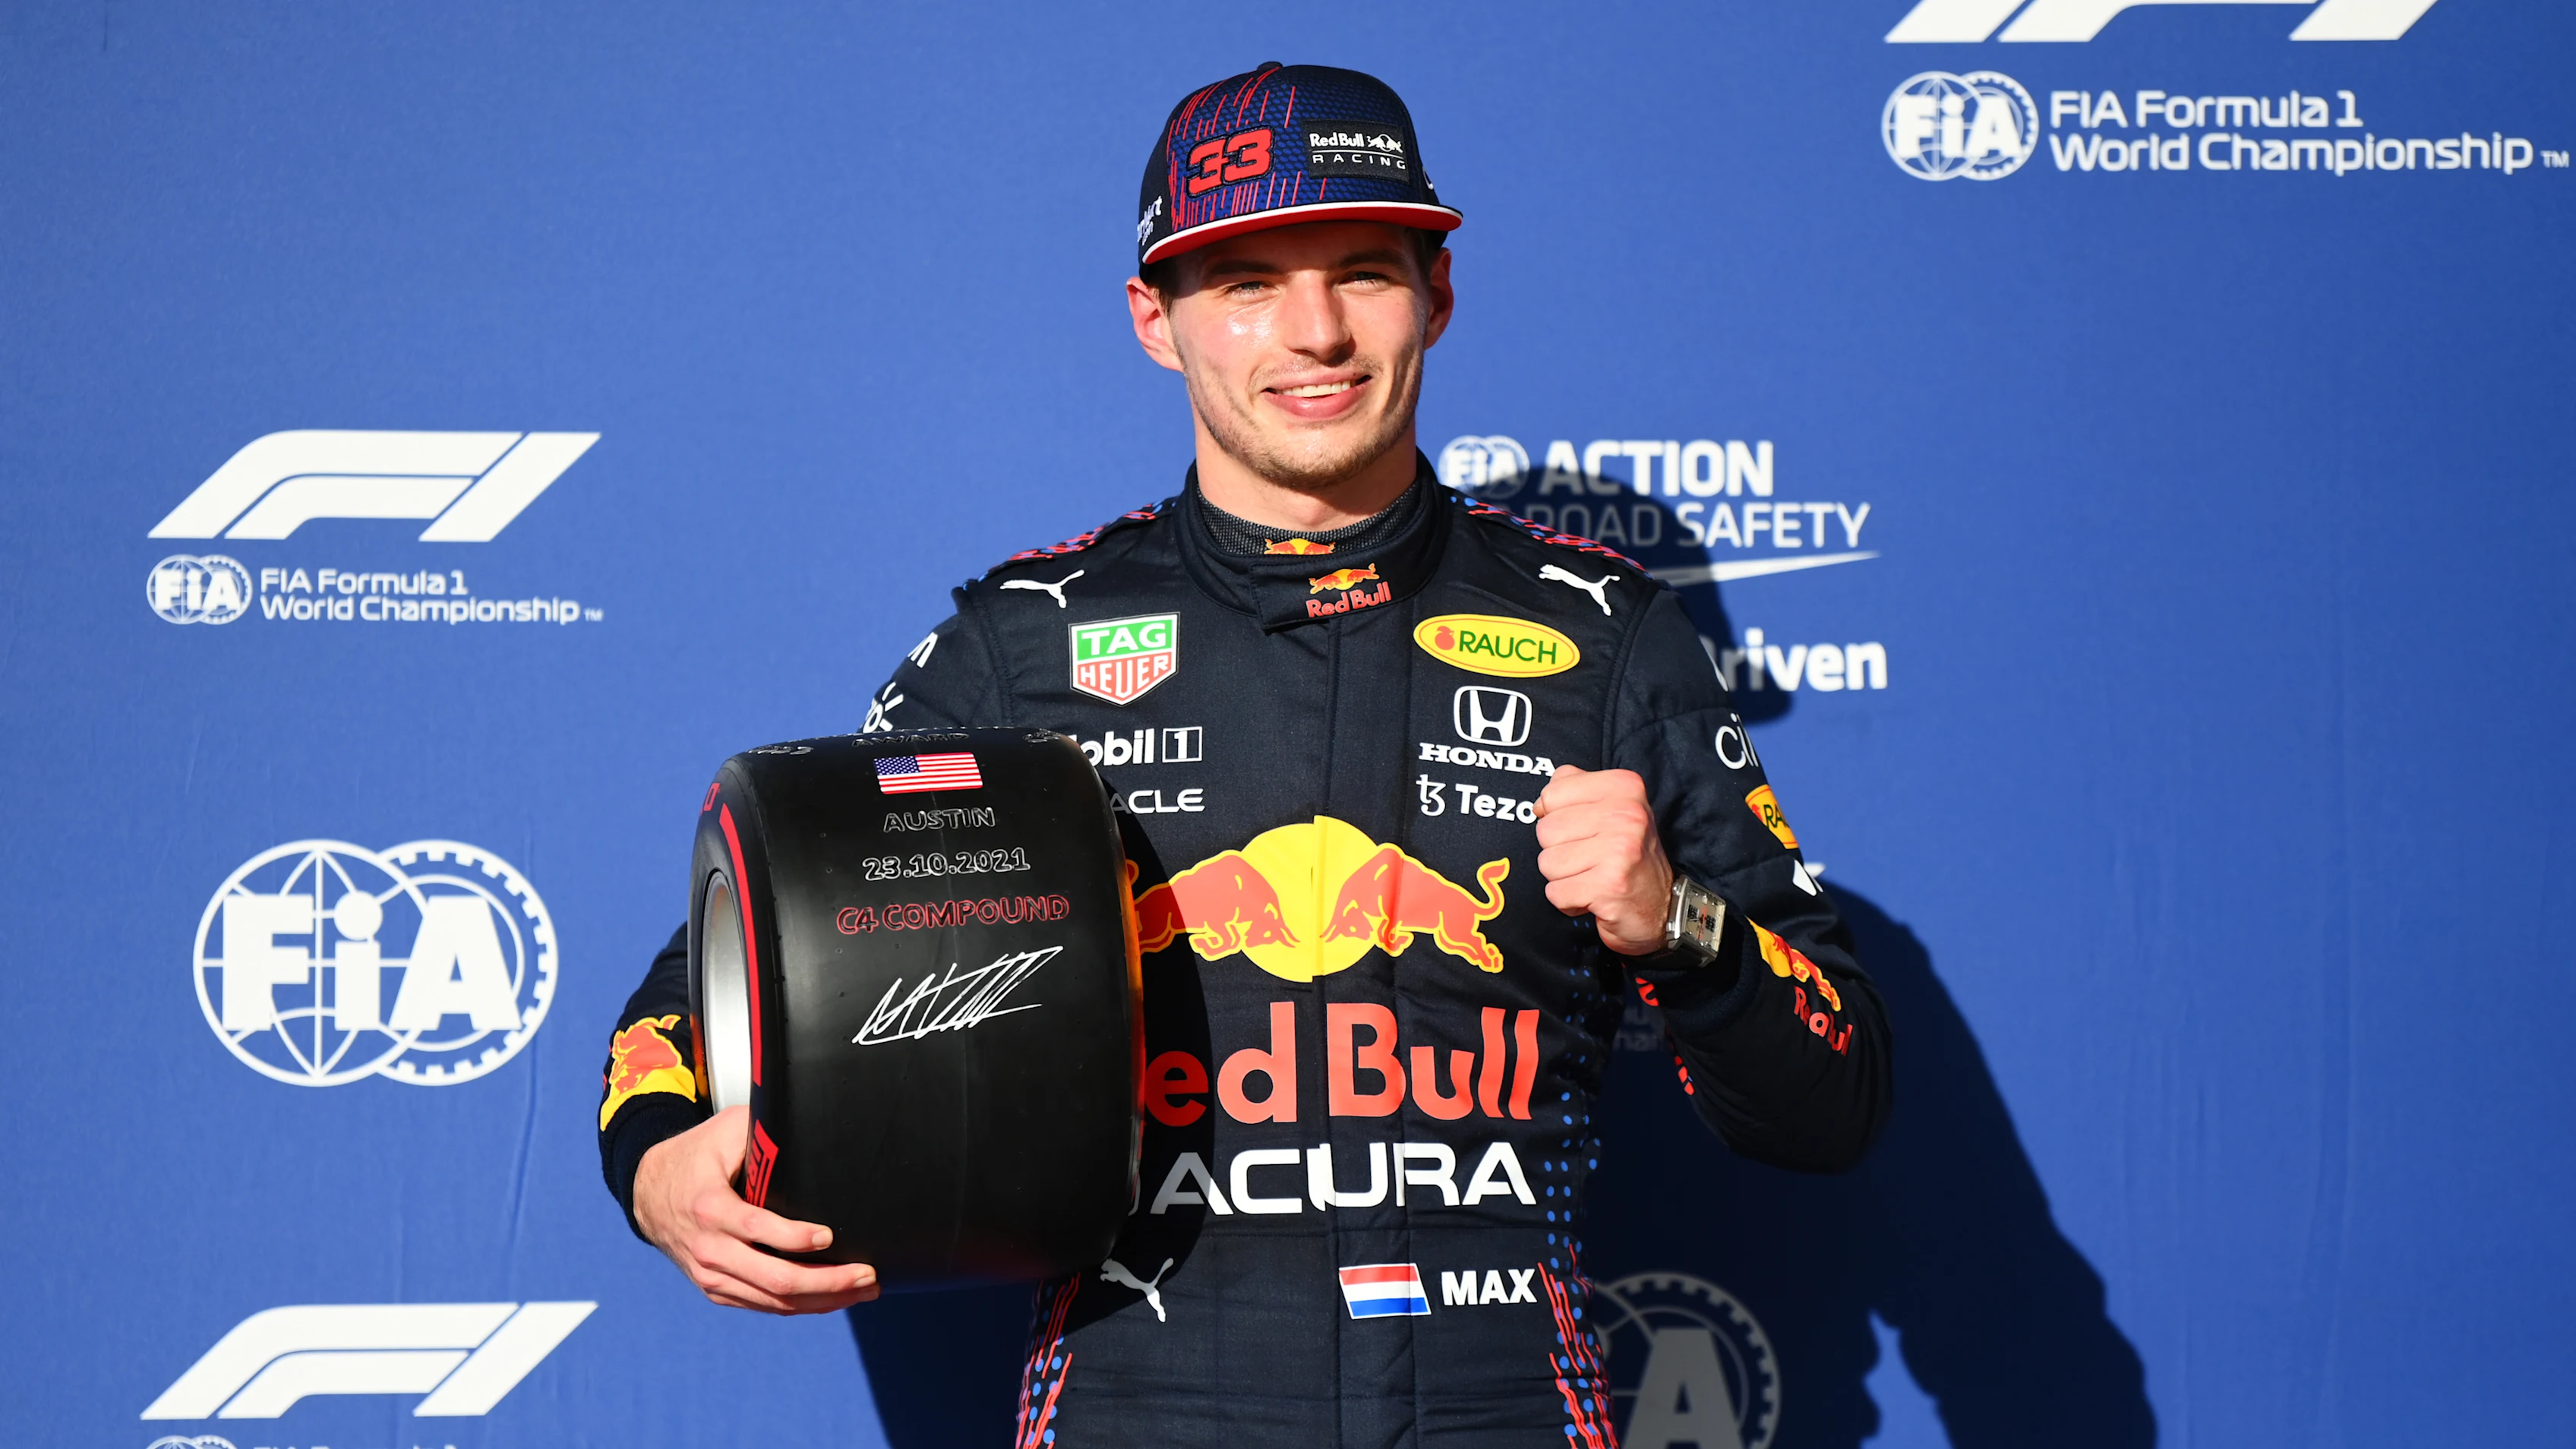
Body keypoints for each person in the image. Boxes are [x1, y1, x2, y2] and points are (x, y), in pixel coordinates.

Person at [597, 62, 1890, 1447]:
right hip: (1140, 1410)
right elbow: (712, 984)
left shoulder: (1609, 637)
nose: (1316, 332)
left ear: (1438, 295)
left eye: (1363, 273)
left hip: (1502, 1412)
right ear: (1156, 321)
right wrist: (659, 1167)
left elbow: (1838, 1097)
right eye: (1248, 284)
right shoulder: (1026, 646)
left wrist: (1675, 925)